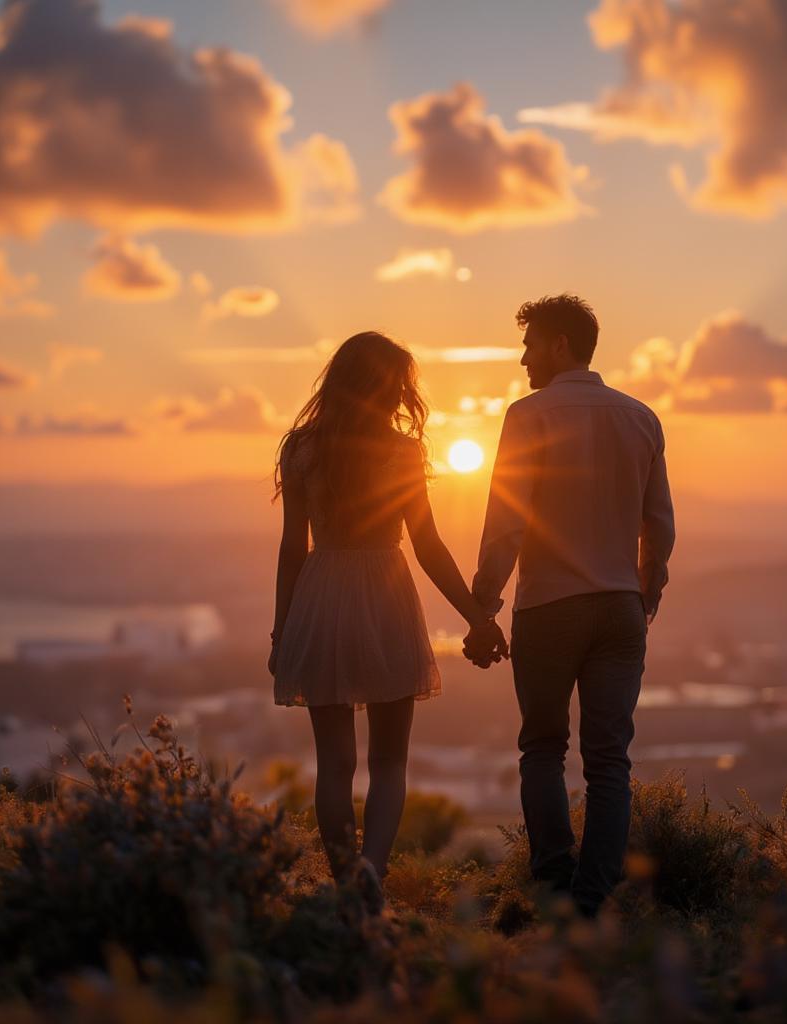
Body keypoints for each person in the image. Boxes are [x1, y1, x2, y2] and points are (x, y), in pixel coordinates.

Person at [268, 331, 507, 909]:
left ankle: (346, 876)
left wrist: (282, 629)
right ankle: (370, 876)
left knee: (335, 762)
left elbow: (291, 550)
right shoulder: (400, 452)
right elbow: (427, 547)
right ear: (387, 387)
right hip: (386, 596)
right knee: (389, 759)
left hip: (322, 596)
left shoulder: (301, 448)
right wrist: (478, 618)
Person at [465, 294, 675, 918]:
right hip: (619, 607)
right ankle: (596, 900)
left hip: (549, 607)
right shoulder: (641, 418)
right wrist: (647, 594)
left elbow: (506, 521)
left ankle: (555, 889)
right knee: (610, 759)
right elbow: (658, 526)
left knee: (542, 749)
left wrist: (484, 605)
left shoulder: (528, 416)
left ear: (558, 345)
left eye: (530, 345)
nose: (523, 358)